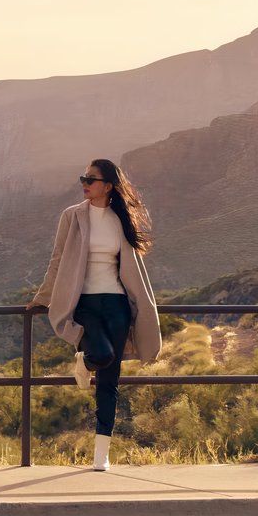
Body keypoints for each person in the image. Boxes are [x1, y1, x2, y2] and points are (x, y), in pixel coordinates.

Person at [27, 159, 162, 470]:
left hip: (116, 304)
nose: (84, 183)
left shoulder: (120, 218)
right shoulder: (72, 216)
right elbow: (58, 259)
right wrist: (42, 297)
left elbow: (132, 266)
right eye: (83, 178)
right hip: (85, 302)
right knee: (100, 355)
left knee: (110, 380)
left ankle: (102, 454)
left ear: (108, 186)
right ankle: (84, 360)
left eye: (91, 179)